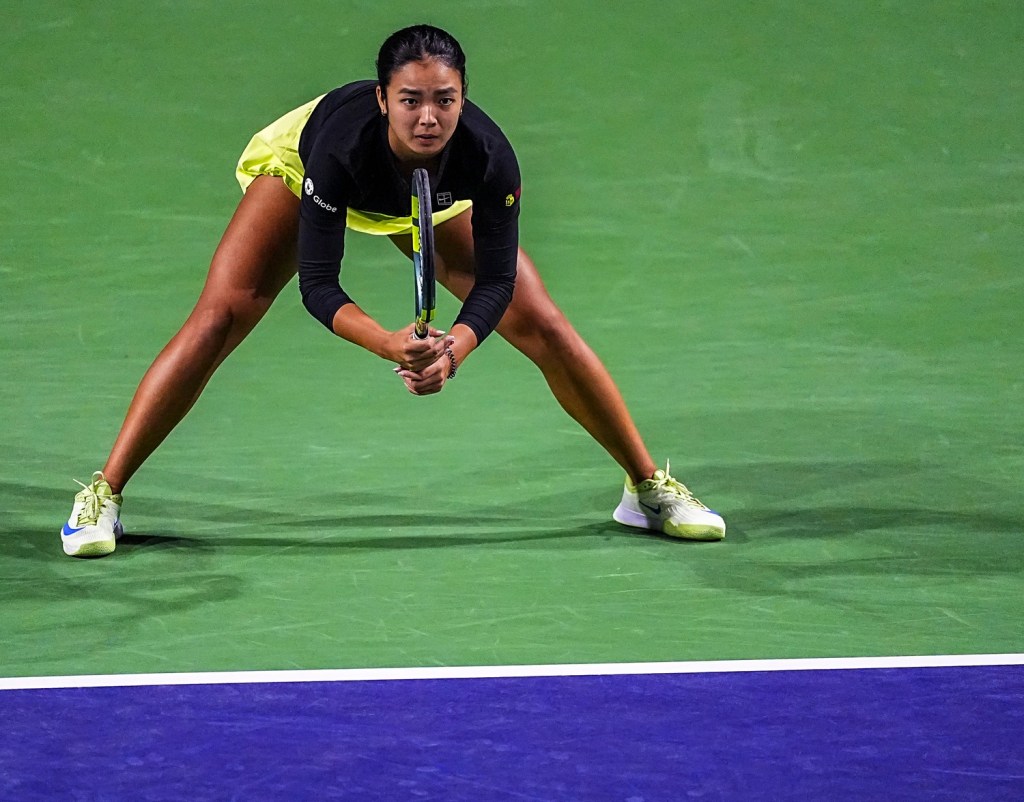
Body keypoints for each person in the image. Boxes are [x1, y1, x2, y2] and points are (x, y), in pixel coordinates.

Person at [60, 24, 726, 558]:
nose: (428, 117)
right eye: (410, 100)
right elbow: (318, 283)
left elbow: (496, 280)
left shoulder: (489, 157)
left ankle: (647, 490)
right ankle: (104, 494)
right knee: (220, 316)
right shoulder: (338, 149)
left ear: (463, 98)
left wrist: (455, 348)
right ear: (383, 99)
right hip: (308, 174)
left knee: (543, 322)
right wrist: (386, 343)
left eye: (445, 100)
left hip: (432, 198)